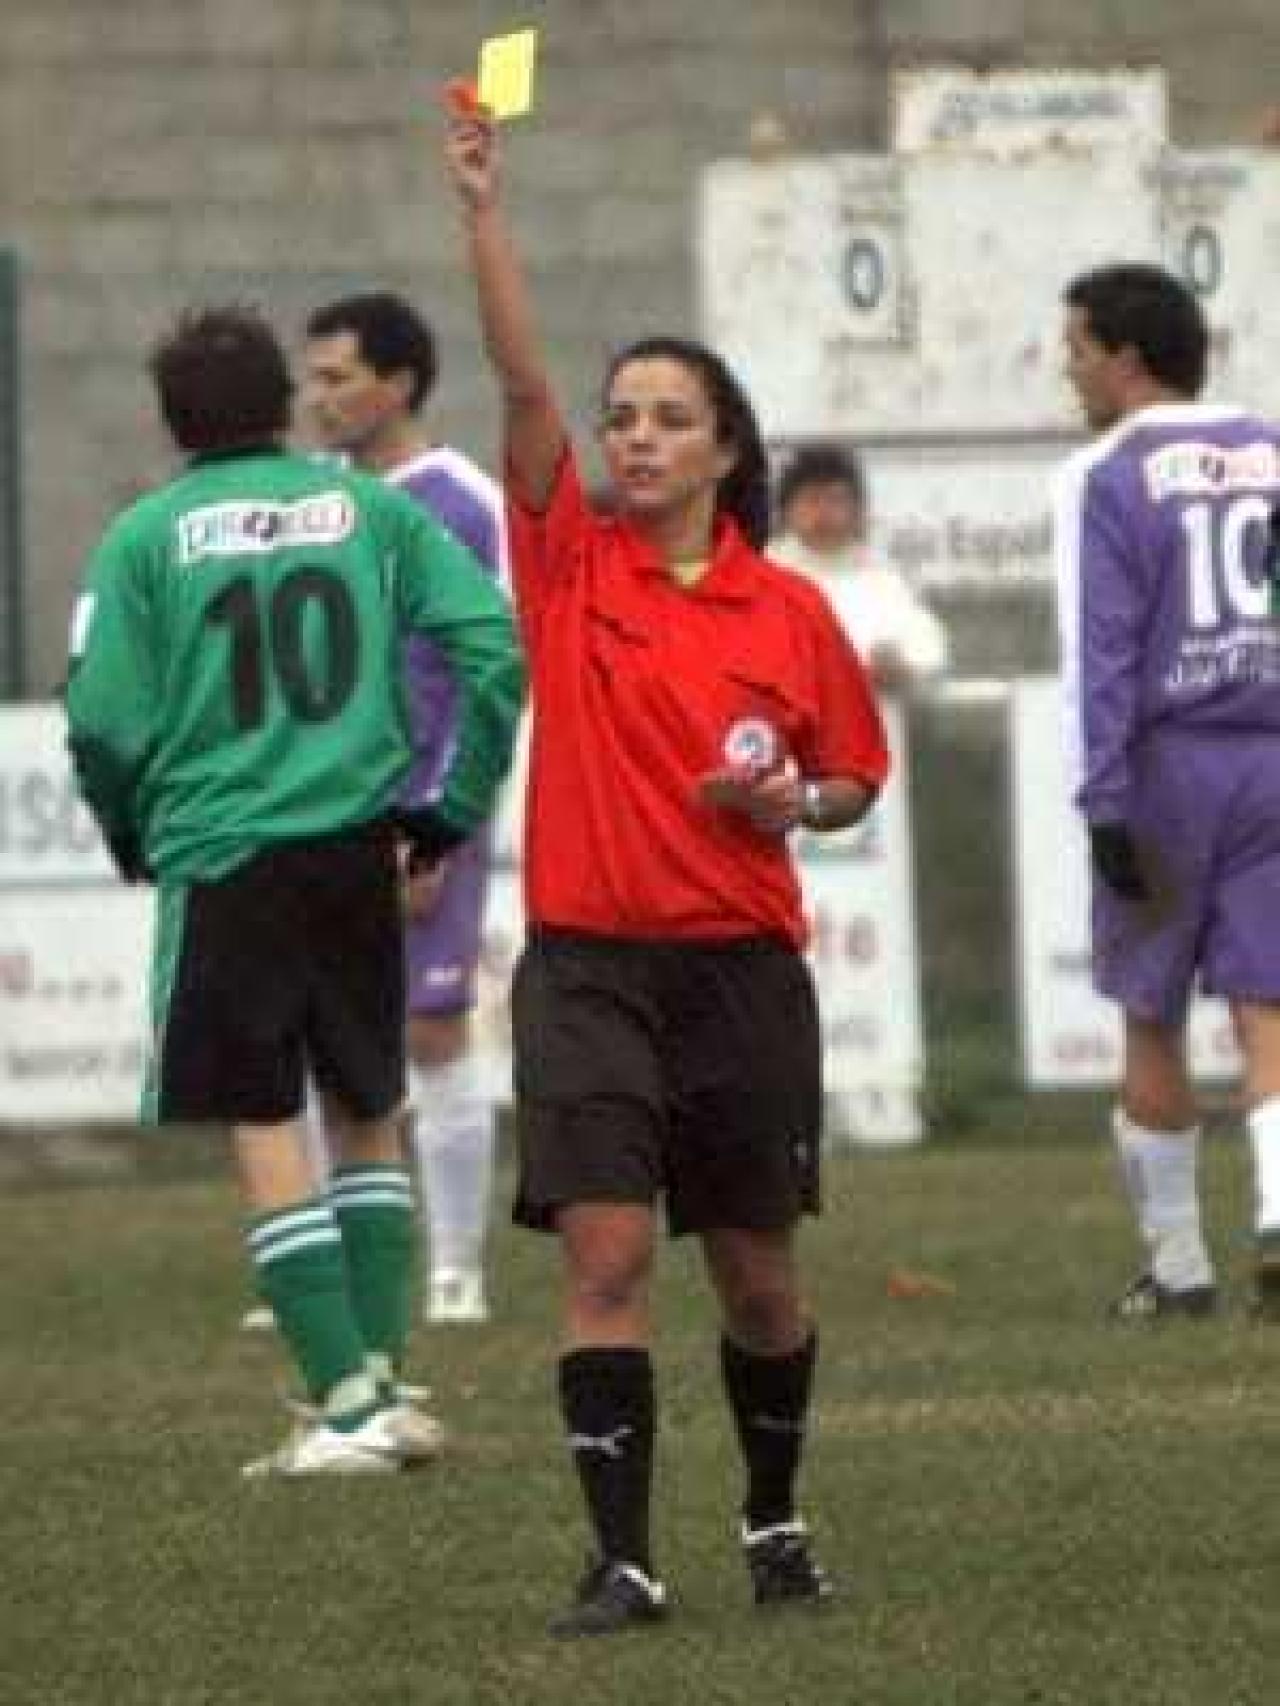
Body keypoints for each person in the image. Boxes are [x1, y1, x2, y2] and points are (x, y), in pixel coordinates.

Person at [442, 106, 889, 1636]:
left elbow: (848, 781)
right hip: (585, 965)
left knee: (760, 1283)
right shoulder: (570, 557)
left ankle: (775, 1520)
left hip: (742, 972)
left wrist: (791, 806)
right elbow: (517, 376)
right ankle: (621, 1558)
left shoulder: (791, 611)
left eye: (666, 416)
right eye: (622, 411)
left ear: (728, 450)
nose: (632, 433)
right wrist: (485, 207)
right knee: (611, 1249)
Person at [63, 305, 524, 1474]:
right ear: (281, 403)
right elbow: (494, 652)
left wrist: (127, 821)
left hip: (229, 853)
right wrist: (451, 805)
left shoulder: (146, 536)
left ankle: (349, 1409)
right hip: (356, 846)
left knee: (265, 1114)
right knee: (368, 1104)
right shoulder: (373, 511)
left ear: (171, 421)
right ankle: (381, 1382)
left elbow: (107, 720)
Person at [1054, 261, 1280, 1320]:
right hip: (1271, 751)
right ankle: (1278, 1211)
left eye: (1078, 349)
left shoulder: (1106, 472)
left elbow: (1097, 648)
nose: (1070, 370)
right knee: (1266, 1001)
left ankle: (1178, 1264)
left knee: (1148, 1013)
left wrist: (1100, 800)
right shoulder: (1273, 450)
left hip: (1165, 762)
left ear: (1126, 358)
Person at [300, 289, 509, 1325]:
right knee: (322, 1033)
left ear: (400, 383)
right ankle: (337, 1255)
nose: (317, 396)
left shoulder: (462, 501)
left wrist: (436, 821)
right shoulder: (310, 498)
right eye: (313, 376)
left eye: (336, 377)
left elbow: (483, 670)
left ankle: (455, 1263)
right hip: (318, 812)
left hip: (427, 813)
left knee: (431, 1029)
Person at [769, 443, 949, 693]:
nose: (823, 513)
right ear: (786, 512)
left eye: (835, 500)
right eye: (811, 500)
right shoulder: (760, 575)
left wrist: (900, 664)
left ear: (857, 511)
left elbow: (928, 651)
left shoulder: (884, 579)